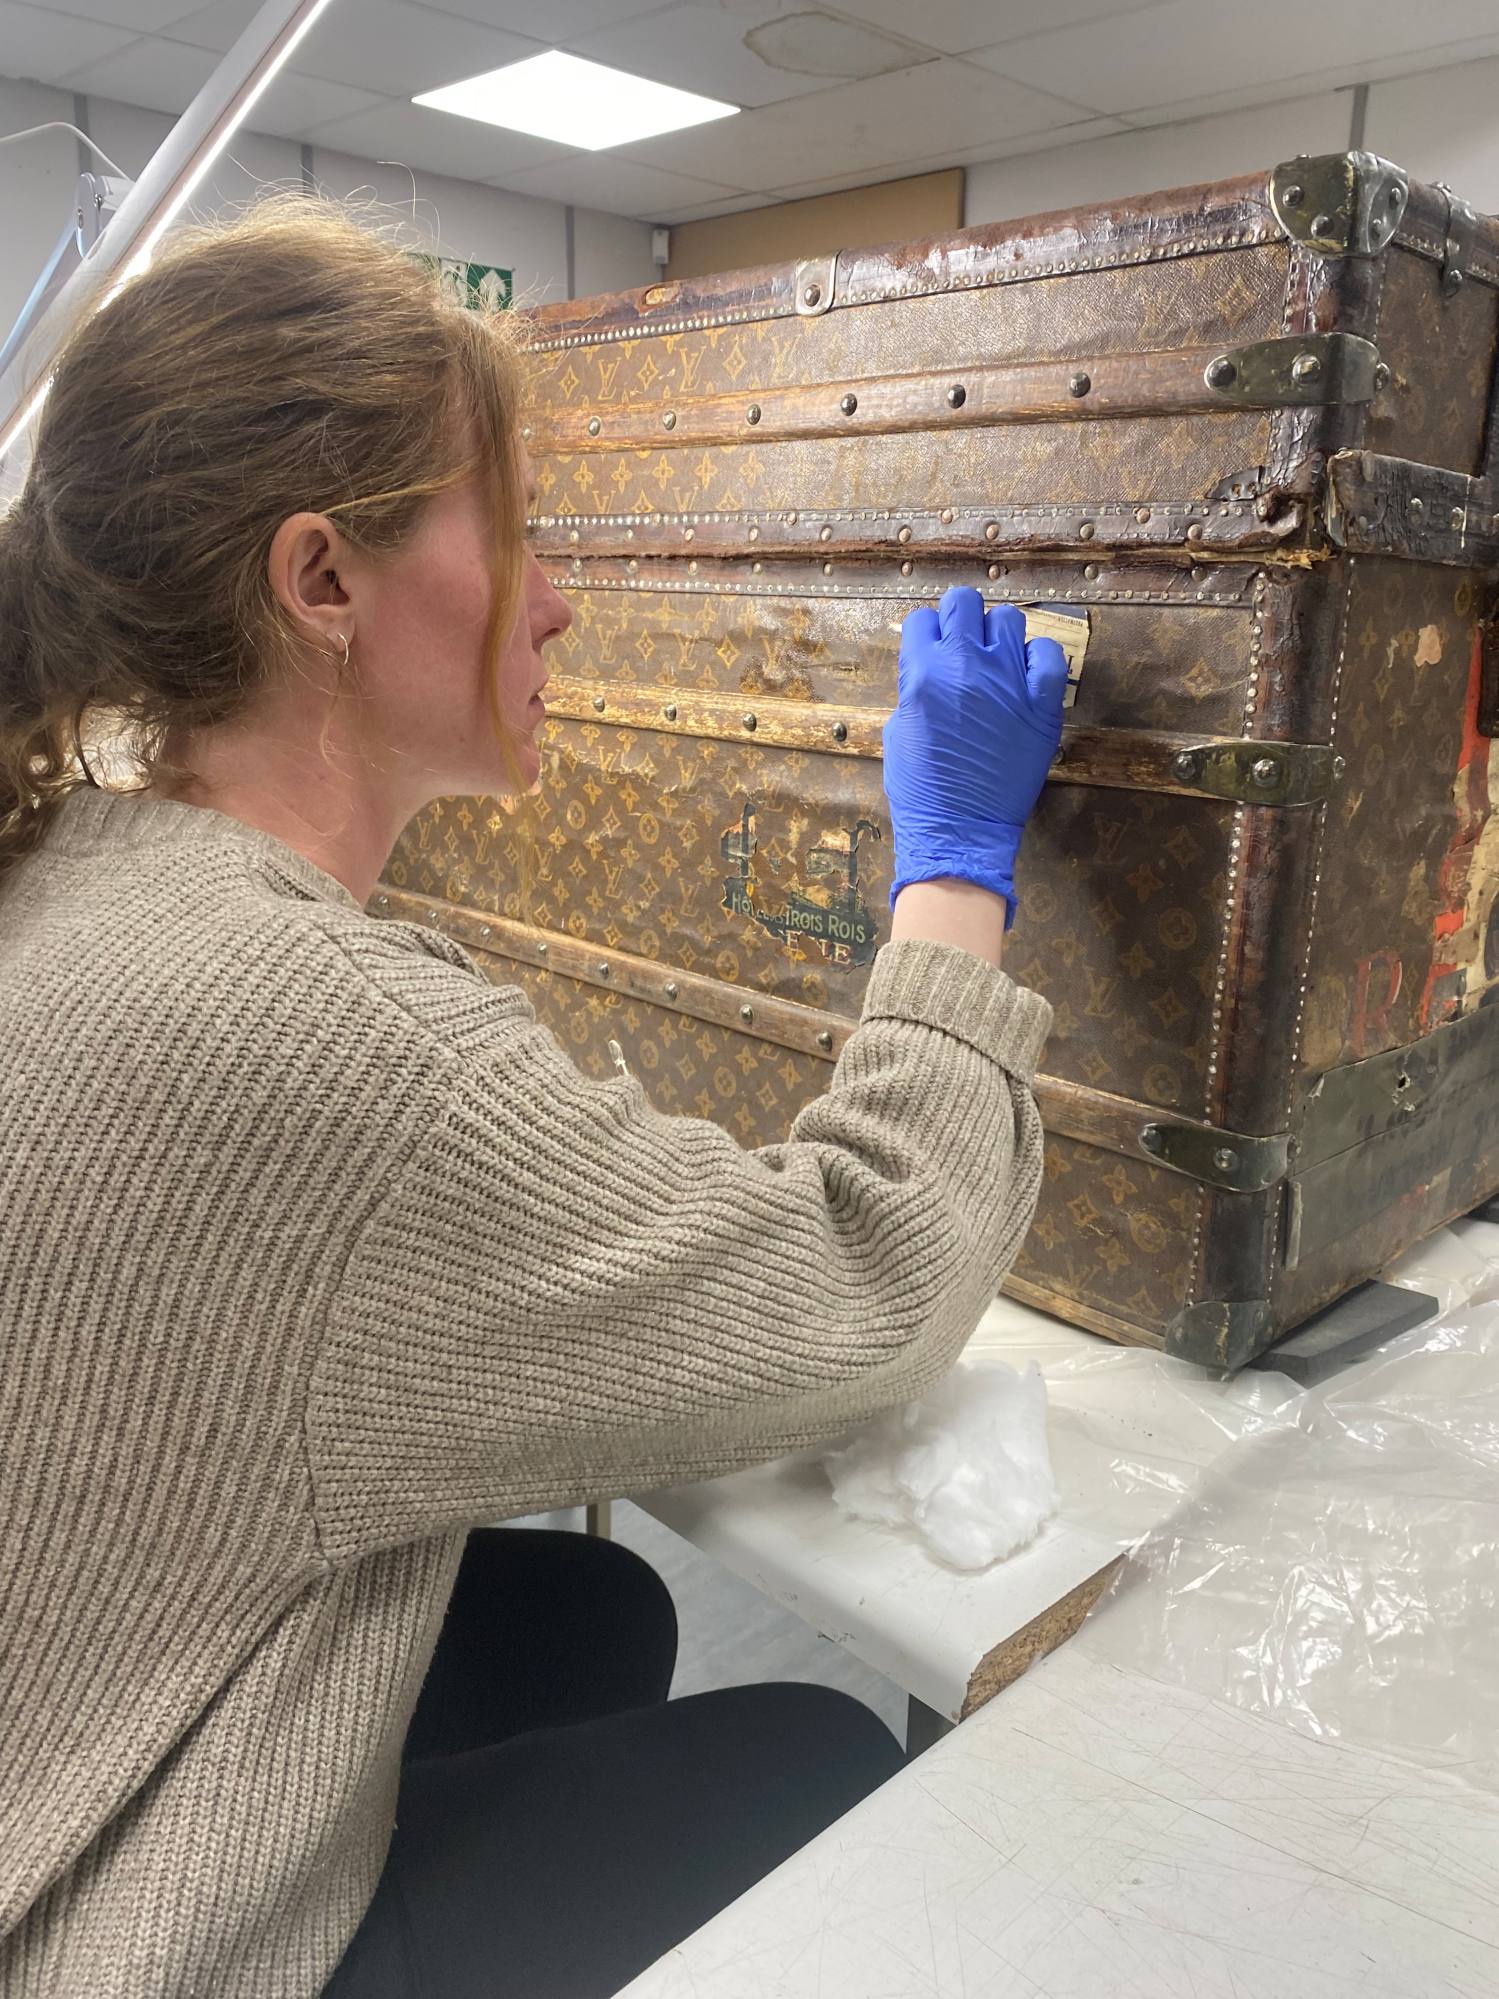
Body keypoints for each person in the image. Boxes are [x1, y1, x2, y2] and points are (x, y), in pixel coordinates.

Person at [0, 201, 1065, 1999]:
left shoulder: (75, 872)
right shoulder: (326, 1043)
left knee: (592, 1609)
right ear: (321, 581)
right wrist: (954, 875)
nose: (560, 597)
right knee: (820, 1759)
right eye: (517, 529)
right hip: (109, 1941)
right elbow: (870, 1279)